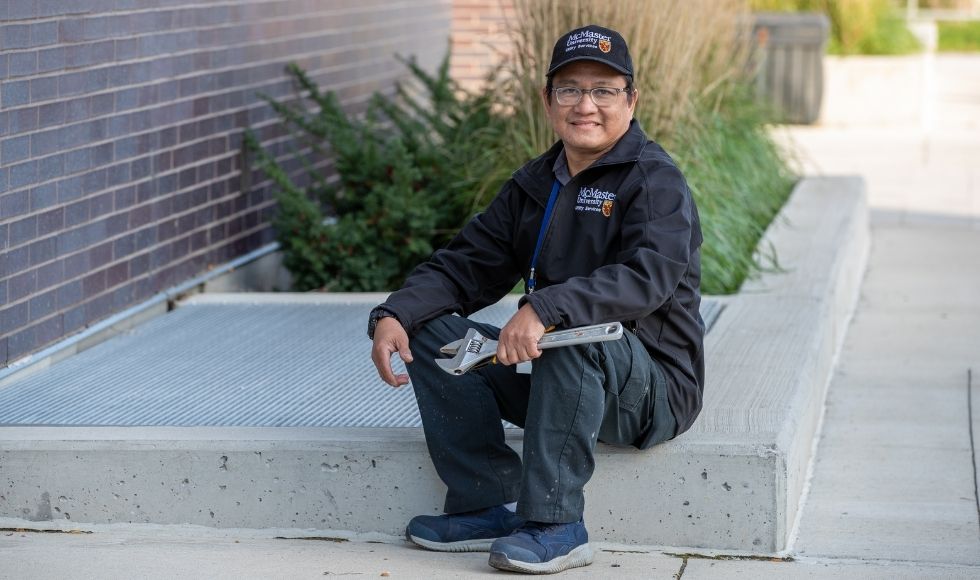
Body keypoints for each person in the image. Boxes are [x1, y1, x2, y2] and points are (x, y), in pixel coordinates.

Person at [367, 24, 704, 574]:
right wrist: (395, 313)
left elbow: (649, 279)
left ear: (631, 100)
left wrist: (546, 309)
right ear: (548, 100)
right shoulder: (534, 183)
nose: (585, 105)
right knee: (429, 330)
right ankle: (483, 502)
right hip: (558, 380)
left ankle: (556, 523)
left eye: (604, 90)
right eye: (570, 90)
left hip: (648, 393)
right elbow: (464, 265)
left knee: (575, 331)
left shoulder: (654, 180)